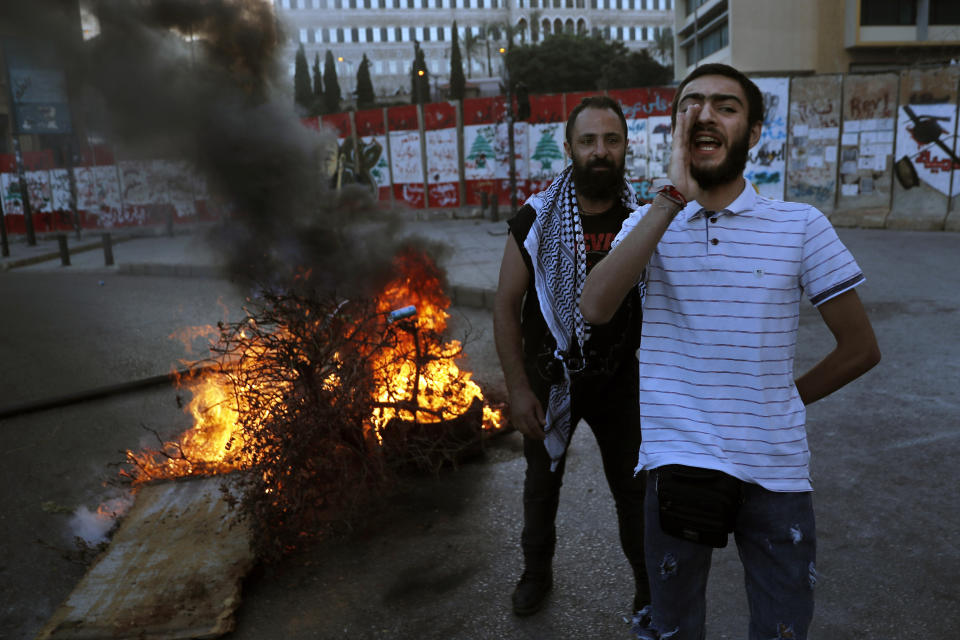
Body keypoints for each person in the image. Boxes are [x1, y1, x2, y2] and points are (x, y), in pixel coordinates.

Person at [580, 63, 881, 640]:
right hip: (678, 464)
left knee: (782, 630)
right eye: (691, 105)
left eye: (725, 105)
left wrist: (781, 398)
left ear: (755, 132)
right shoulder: (649, 222)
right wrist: (669, 201)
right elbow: (594, 306)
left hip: (776, 472)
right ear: (675, 131)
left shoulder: (800, 225)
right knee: (673, 628)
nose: (705, 115)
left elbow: (860, 347)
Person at [493, 96, 649, 617]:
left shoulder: (644, 218)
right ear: (569, 148)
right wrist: (517, 389)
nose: (600, 151)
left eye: (611, 140)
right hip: (549, 377)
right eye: (588, 141)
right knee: (541, 486)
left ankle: (649, 589)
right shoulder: (536, 219)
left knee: (634, 494)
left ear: (626, 146)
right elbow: (505, 304)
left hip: (621, 383)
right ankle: (536, 573)